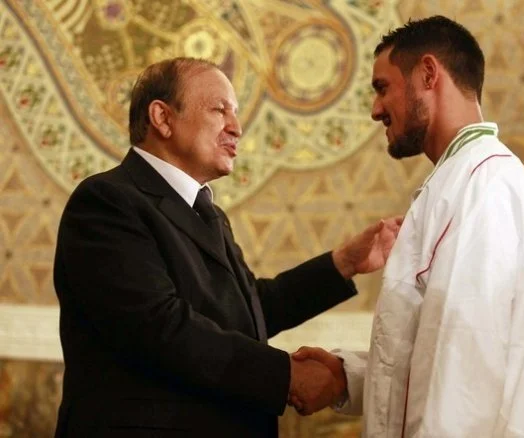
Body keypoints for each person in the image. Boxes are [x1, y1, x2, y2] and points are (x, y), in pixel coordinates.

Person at [52, 57, 402, 438]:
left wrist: (344, 262)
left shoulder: (209, 213)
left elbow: (249, 311)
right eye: (220, 110)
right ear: (163, 118)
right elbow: (159, 326)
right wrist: (287, 376)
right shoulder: (107, 201)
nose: (236, 127)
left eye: (235, 112)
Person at [292, 15, 524, 437]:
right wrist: (348, 377)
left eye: (383, 87)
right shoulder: (459, 179)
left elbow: (466, 375)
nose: (376, 109)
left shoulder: (483, 182)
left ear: (428, 74)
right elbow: (430, 353)